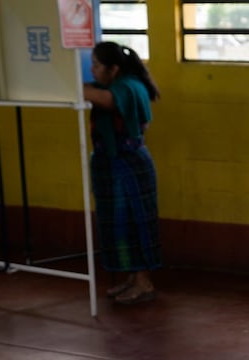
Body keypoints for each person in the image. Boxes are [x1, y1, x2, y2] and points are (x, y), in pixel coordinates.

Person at [82, 41, 161, 306]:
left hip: (129, 164)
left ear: (113, 68)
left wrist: (70, 83)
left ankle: (144, 282)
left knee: (134, 221)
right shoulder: (115, 83)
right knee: (118, 225)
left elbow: (107, 100)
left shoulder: (129, 86)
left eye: (96, 64)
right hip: (110, 163)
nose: (92, 69)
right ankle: (132, 277)